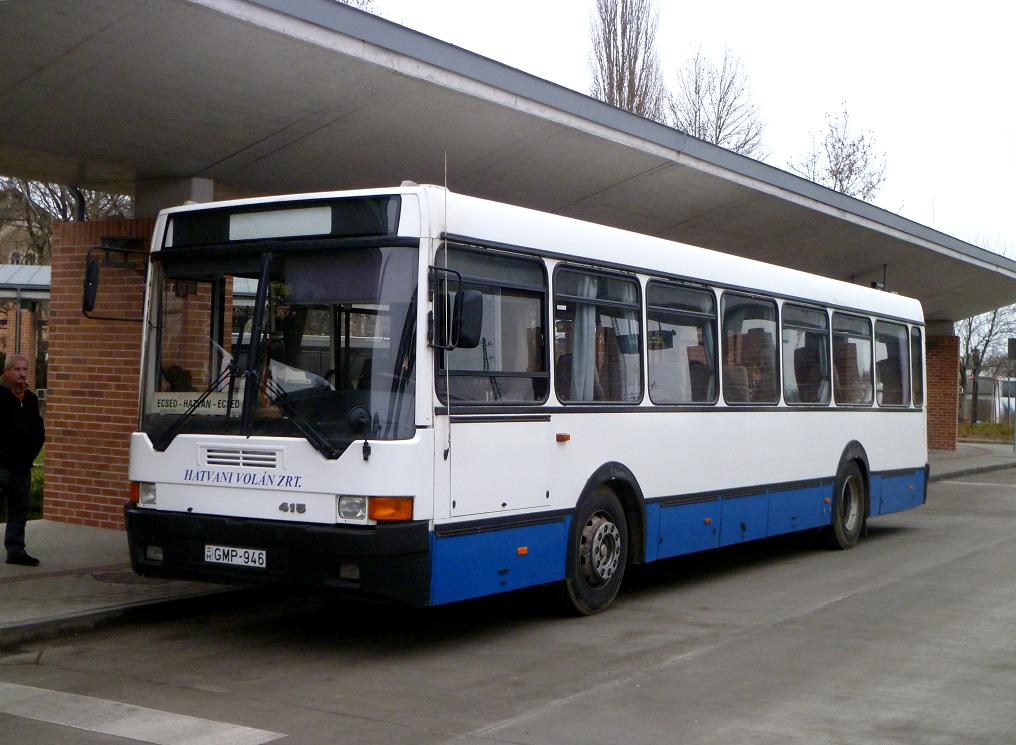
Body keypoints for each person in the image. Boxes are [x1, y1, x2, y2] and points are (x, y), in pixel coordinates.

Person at [0, 354, 45, 566]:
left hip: (22, 467)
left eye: (25, 369)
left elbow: (38, 431)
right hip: (1, 466)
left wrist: (30, 454)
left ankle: (16, 551)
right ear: (6, 371)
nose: (22, 374)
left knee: (19, 511)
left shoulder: (30, 399)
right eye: (17, 369)